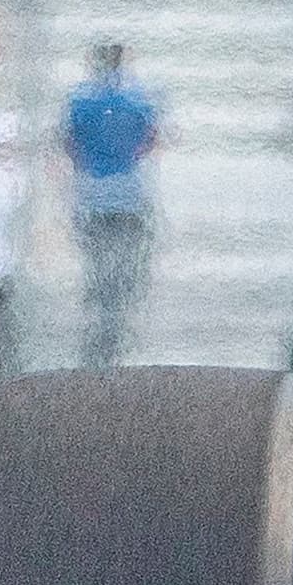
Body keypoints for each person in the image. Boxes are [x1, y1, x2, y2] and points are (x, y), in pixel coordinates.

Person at [62, 43, 164, 368]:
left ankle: (101, 319)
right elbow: (152, 139)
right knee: (126, 264)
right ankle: (118, 325)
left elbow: (69, 142)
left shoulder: (80, 100)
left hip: (93, 194)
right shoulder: (139, 99)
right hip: (130, 195)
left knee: (97, 262)